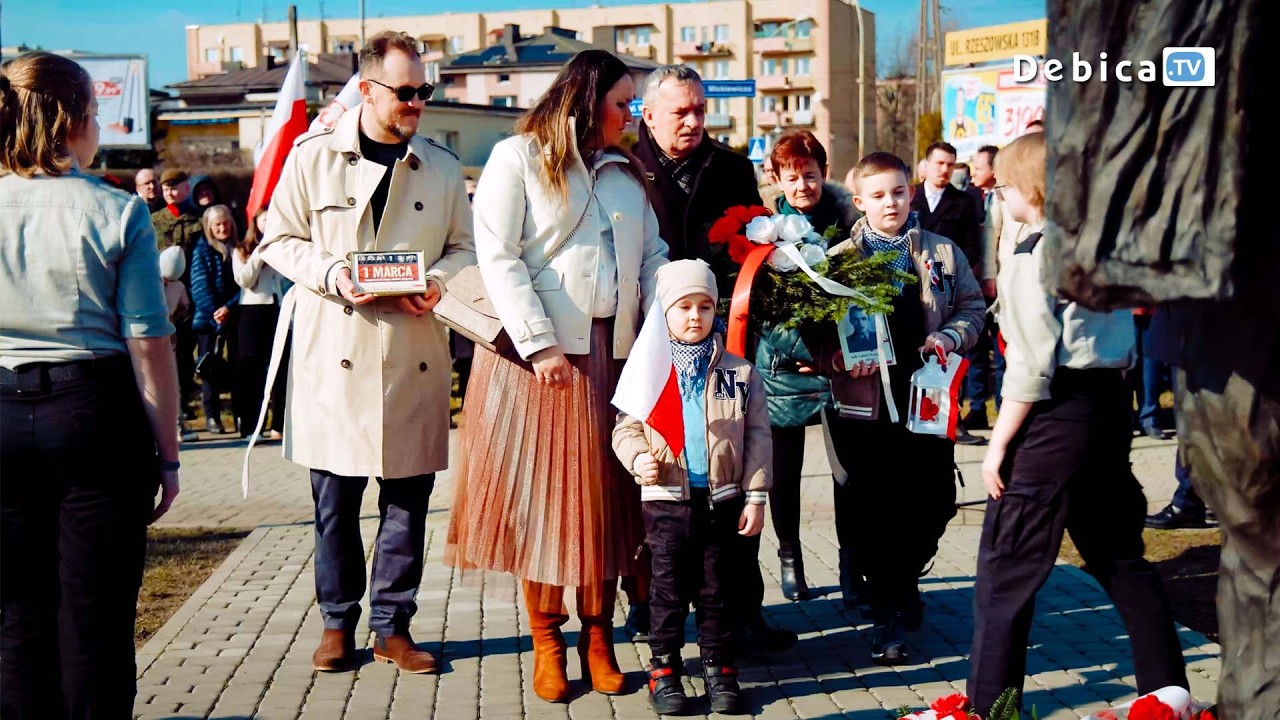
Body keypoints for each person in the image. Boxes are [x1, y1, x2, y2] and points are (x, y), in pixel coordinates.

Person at [445, 49, 667, 704]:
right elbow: (498, 257)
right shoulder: (519, 158)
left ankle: (598, 636)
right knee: (543, 504)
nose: (631, 115)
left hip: (614, 358)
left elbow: (652, 254)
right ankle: (547, 638)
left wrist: (669, 323)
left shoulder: (629, 173)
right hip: (536, 363)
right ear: (588, 96)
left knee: (604, 502)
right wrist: (537, 343)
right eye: (624, 101)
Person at [259, 30, 476, 675]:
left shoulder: (438, 165)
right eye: (405, 92)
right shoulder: (313, 156)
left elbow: (465, 250)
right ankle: (336, 624)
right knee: (335, 509)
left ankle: (393, 627)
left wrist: (438, 283)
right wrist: (334, 275)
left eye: (424, 92)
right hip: (337, 357)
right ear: (369, 88)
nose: (416, 103)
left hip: (412, 354)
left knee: (406, 508)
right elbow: (277, 239)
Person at [967, 132, 1187, 714]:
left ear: (1026, 192)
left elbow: (1030, 365)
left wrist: (996, 447)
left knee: (1006, 566)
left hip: (1053, 413)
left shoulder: (1031, 255)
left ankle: (991, 704)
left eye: (1005, 188)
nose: (1000, 197)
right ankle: (1169, 693)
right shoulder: (1095, 248)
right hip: (1108, 405)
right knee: (1118, 554)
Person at [1, 50, 181, 717]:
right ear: (74, 118)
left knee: (15, 614)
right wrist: (167, 453)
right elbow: (148, 340)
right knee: (95, 616)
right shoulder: (113, 211)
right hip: (92, 414)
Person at [630, 63, 790, 655]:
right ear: (649, 114)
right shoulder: (625, 165)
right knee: (657, 473)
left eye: (700, 109)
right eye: (682, 111)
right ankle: (646, 606)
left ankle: (742, 610)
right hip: (647, 335)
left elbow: (751, 246)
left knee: (725, 476)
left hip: (720, 339)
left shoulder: (729, 166)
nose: (695, 120)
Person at [824, 151, 985, 665]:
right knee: (876, 513)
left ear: (910, 192)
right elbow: (815, 327)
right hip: (868, 407)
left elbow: (972, 308)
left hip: (928, 402)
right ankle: (888, 613)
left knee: (934, 501)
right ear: (859, 202)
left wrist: (951, 335)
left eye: (897, 192)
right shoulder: (838, 258)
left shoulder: (939, 251)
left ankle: (905, 579)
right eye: (877, 195)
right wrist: (838, 359)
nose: (889, 202)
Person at [612, 259, 770, 716]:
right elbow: (625, 429)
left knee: (717, 589)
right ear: (663, 312)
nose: (695, 316)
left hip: (722, 500)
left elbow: (758, 435)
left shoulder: (738, 372)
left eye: (705, 306)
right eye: (683, 306)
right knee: (666, 590)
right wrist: (639, 457)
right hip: (666, 502)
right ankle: (665, 670)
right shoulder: (650, 372)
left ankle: (720, 667)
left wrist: (756, 495)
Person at [754, 130, 858, 603]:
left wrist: (835, 354)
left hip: (839, 371)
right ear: (776, 178)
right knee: (785, 473)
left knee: (847, 474)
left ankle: (851, 565)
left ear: (825, 174)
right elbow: (758, 309)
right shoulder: (763, 231)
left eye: (810, 176)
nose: (802, 187)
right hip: (783, 369)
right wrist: (799, 349)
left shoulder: (851, 227)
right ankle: (791, 560)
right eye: (792, 178)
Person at [911, 141, 984, 444]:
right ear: (925, 165)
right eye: (939, 163)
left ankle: (954, 414)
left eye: (950, 165)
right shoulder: (910, 196)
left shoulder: (963, 201)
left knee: (950, 347)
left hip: (947, 277)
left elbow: (970, 243)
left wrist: (952, 267)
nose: (945, 170)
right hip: (913, 279)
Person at [233, 207, 288, 441]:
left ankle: (280, 425)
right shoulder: (242, 250)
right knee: (251, 371)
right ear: (256, 223)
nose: (268, 223)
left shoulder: (283, 247)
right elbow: (244, 279)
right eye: (264, 219)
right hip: (253, 310)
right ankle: (251, 426)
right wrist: (258, 254)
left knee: (281, 368)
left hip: (279, 309)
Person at [964, 144, 1005, 432]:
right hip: (974, 288)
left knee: (1002, 353)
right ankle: (977, 408)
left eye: (979, 167)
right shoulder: (968, 198)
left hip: (1000, 288)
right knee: (975, 353)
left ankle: (1004, 410)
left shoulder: (1004, 196)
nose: (973, 172)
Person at [191, 204, 241, 434]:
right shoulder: (201, 250)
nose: (222, 228)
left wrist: (229, 308)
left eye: (225, 223)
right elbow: (199, 287)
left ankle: (240, 413)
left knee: (237, 367)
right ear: (209, 227)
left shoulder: (240, 248)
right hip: (208, 321)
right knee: (209, 370)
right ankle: (212, 417)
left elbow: (245, 285)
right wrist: (217, 313)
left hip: (235, 317)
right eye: (217, 225)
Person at [160, 246, 200, 443]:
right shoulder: (149, 281)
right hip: (155, 337)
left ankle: (177, 425)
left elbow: (185, 308)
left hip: (169, 338)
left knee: (172, 383)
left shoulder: (178, 287)